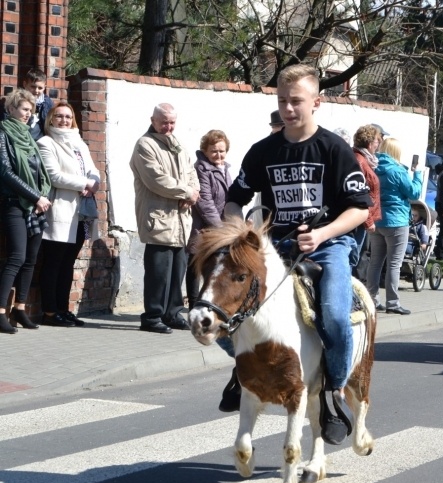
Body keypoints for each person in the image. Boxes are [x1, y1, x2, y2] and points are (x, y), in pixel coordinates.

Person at [224, 65, 371, 445]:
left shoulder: (334, 149)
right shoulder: (263, 151)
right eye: (282, 101)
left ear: (316, 102)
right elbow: (233, 201)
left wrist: (322, 233)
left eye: (296, 101)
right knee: (224, 314)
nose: (288, 109)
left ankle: (333, 392)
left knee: (336, 318)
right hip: (276, 248)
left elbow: (359, 208)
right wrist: (244, 235)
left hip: (330, 246)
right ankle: (243, 375)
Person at [130, 103, 199, 334]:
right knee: (158, 273)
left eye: (172, 122)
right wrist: (187, 192)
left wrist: (193, 192)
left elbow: (191, 173)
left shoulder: (177, 144)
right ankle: (152, 317)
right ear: (153, 120)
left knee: (177, 270)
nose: (168, 127)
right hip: (158, 218)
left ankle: (172, 312)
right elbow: (156, 179)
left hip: (180, 220)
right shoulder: (145, 145)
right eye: (164, 122)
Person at [36, 101, 100, 327]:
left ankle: (63, 309)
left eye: (68, 116)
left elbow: (94, 170)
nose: (64, 120)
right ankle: (50, 313)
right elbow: (54, 176)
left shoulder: (79, 142)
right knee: (54, 262)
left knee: (68, 263)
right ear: (51, 119)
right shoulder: (46, 143)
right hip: (61, 210)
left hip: (81, 213)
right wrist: (85, 183)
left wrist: (94, 182)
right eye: (59, 116)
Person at [0, 89, 52, 334]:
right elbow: (5, 172)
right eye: (23, 109)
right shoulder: (3, 133)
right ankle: (0, 312)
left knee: (31, 259)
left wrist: (42, 195)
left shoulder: (30, 136)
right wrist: (36, 197)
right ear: (10, 109)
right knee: (16, 257)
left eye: (30, 110)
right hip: (13, 203)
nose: (27, 114)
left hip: (34, 205)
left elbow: (38, 170)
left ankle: (20, 308)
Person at [367, 137, 422, 315]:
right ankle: (392, 303)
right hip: (397, 221)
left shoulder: (373, 168)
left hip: (377, 220)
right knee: (394, 264)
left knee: (375, 262)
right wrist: (418, 174)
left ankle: (372, 300)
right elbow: (414, 192)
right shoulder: (397, 171)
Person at [186, 129, 233, 308]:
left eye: (222, 151)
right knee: (195, 266)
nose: (218, 154)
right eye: (214, 151)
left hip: (219, 228)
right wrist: (221, 228)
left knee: (213, 267)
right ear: (205, 151)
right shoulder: (202, 169)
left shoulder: (224, 168)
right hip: (202, 227)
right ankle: (193, 304)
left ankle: (210, 302)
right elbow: (205, 202)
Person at [351, 124, 383, 281]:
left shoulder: (364, 160)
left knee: (356, 257)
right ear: (370, 143)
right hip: (359, 219)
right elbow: (360, 192)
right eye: (378, 140)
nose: (379, 144)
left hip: (362, 218)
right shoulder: (359, 161)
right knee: (352, 259)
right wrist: (369, 221)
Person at [1, 69, 55, 140]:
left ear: (45, 87)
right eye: (33, 87)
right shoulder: (14, 101)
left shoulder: (48, 104)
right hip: (16, 138)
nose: (36, 91)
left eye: (40, 88)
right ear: (25, 84)